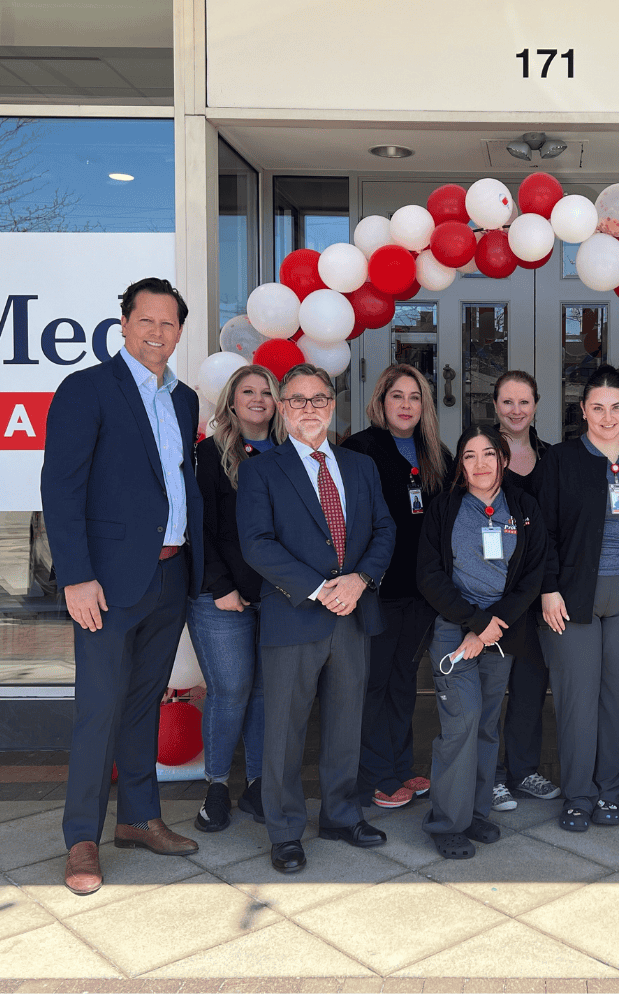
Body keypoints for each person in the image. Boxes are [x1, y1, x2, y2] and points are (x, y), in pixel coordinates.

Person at [41, 277, 204, 896]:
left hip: (169, 574)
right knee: (99, 709)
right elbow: (61, 489)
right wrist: (77, 578)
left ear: (180, 332)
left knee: (142, 703)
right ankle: (82, 836)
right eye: (146, 321)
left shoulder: (183, 398)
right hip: (106, 584)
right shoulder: (87, 389)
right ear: (124, 323)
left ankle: (138, 818)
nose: (157, 333)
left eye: (168, 324)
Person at [237, 363, 396, 874]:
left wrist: (360, 580)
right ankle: (284, 830)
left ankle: (341, 815)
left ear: (332, 405)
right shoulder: (262, 468)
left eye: (319, 399)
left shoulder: (359, 466)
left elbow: (384, 530)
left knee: (346, 725)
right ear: (283, 409)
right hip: (294, 616)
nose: (309, 408)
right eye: (298, 400)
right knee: (283, 730)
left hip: (352, 614)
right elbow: (257, 543)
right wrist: (319, 587)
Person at [415, 425, 548, 858]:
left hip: (501, 632)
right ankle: (446, 821)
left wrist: (494, 625)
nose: (480, 464)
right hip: (455, 628)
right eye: (469, 456)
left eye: (488, 454)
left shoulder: (523, 508)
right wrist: (474, 623)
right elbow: (429, 575)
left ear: (503, 459)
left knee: (487, 723)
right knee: (462, 721)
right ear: (461, 465)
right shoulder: (444, 508)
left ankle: (474, 813)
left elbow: (532, 576)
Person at [538, 365, 619, 832]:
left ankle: (610, 791)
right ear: (583, 410)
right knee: (576, 699)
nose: (607, 417)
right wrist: (548, 588)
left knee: (617, 699)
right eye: (597, 407)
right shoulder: (562, 459)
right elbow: (543, 532)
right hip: (573, 595)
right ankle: (577, 795)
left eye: (617, 407)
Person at [342, 365, 452, 810]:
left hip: (420, 590)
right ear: (381, 402)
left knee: (404, 682)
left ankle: (401, 768)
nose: (406, 405)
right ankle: (373, 776)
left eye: (414, 397)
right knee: (375, 684)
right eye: (397, 396)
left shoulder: (435, 452)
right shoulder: (360, 448)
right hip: (376, 589)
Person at [188, 365, 287, 832]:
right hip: (220, 596)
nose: (258, 398)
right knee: (230, 691)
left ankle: (258, 787)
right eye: (247, 391)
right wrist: (220, 585)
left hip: (280, 598)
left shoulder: (293, 454)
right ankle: (216, 788)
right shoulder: (209, 456)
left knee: (267, 694)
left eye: (266, 391)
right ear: (231, 401)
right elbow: (200, 528)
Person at [490, 370, 560, 811]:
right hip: (491, 591)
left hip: (538, 591)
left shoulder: (552, 458)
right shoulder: (477, 452)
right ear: (495, 405)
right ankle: (490, 774)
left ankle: (523, 770)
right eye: (508, 402)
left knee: (531, 686)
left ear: (536, 406)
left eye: (524, 402)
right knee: (489, 688)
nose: (516, 411)